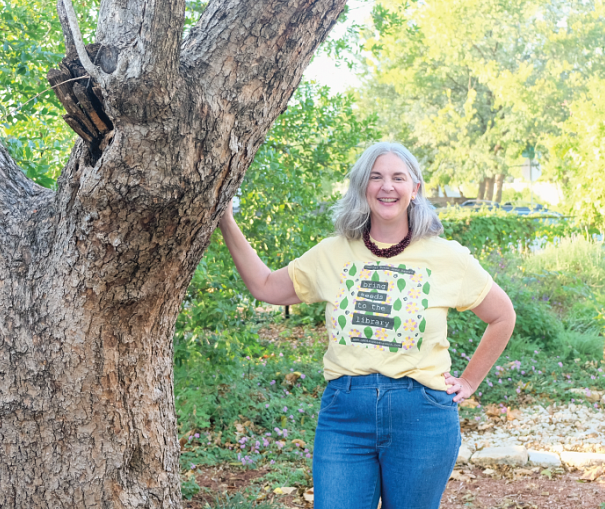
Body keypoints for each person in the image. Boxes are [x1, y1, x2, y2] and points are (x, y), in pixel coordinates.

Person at [218, 142, 515, 509]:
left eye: (398, 178)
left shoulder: (447, 256)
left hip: (422, 417)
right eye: (376, 177)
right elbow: (265, 286)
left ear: (415, 189)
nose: (387, 186)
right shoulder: (332, 253)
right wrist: (225, 218)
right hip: (345, 418)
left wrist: (469, 381)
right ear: (362, 187)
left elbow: (503, 315)